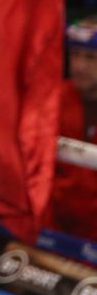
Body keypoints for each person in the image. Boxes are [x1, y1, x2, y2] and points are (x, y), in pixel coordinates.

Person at [47, 18, 97, 239]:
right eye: (74, 54)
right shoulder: (53, 99)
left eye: (90, 57)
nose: (79, 65)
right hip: (52, 230)